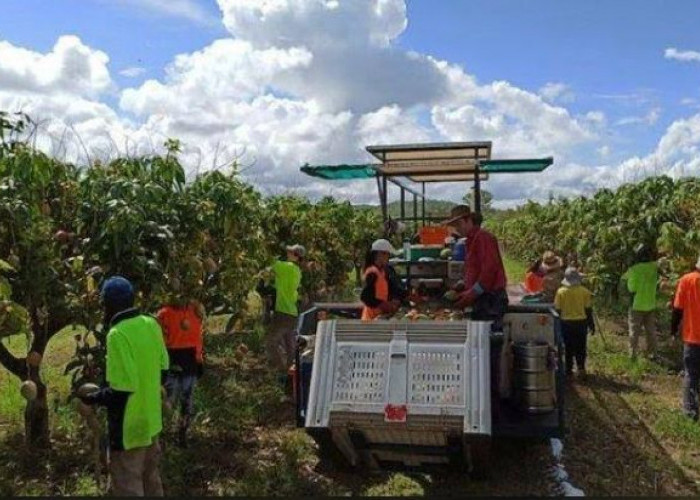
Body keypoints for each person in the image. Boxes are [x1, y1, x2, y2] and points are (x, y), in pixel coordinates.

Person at [79, 276, 169, 497]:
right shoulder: (151, 323)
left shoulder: (117, 334)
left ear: (108, 305)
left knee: (128, 485)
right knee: (151, 480)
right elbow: (164, 371)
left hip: (129, 429)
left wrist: (93, 398)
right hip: (151, 422)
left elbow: (121, 390)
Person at [445, 207, 508, 330]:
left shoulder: (483, 237)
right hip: (482, 298)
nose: (457, 229)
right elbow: (474, 269)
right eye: (455, 226)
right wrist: (462, 284)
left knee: (488, 338)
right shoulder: (471, 240)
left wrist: (472, 293)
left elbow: (489, 271)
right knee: (480, 337)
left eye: (459, 224)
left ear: (469, 220)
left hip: (491, 299)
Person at [156, 298, 205, 448]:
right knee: (176, 400)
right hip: (179, 361)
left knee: (179, 400)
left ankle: (175, 436)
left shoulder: (193, 310)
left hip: (182, 361)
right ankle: (169, 436)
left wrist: (199, 360)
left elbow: (197, 339)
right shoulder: (166, 314)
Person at [266, 244, 305, 373]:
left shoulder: (287, 267)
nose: (287, 253)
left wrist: (265, 246)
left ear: (295, 256)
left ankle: (280, 369)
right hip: (292, 313)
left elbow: (270, 261)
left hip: (283, 312)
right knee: (290, 347)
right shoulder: (297, 271)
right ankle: (291, 374)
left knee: (271, 341)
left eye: (290, 252)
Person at [671, 258, 700, 421]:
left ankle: (690, 412)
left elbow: (677, 309)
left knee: (691, 374)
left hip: (693, 338)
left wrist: (673, 330)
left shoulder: (687, 280)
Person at [554, 267, 595, 379]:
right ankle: (581, 369)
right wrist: (591, 325)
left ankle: (568, 371)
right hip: (581, 323)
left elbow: (558, 310)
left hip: (566, 324)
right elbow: (588, 310)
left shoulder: (561, 292)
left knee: (568, 348)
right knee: (581, 347)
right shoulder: (585, 292)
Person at [622, 245, 658, 360]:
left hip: (636, 305)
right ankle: (652, 353)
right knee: (651, 331)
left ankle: (632, 354)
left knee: (634, 330)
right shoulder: (654, 267)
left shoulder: (634, 269)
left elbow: (631, 288)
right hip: (650, 304)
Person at [360, 239, 408, 320]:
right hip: (370, 320)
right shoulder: (372, 272)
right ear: (380, 254)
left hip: (379, 317)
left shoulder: (382, 272)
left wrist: (394, 300)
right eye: (387, 255)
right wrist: (384, 305)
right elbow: (365, 297)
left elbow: (385, 290)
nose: (388, 258)